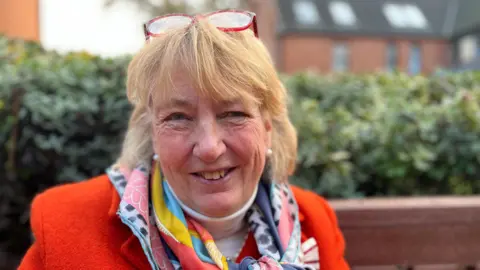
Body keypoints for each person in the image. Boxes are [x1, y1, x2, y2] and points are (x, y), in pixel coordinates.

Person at [19, 9, 349, 270]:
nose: (209, 148)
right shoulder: (67, 223)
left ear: (267, 126)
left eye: (233, 114)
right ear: (152, 132)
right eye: (178, 118)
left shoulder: (315, 222)